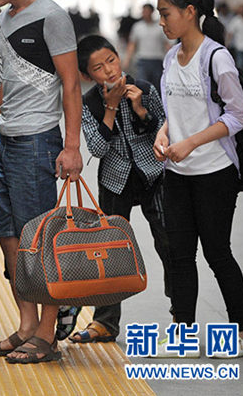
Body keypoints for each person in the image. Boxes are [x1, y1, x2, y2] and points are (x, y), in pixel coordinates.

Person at [0, 0, 83, 363]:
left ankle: (47, 333)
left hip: (39, 141)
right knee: (6, 231)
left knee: (41, 238)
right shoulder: (5, 18)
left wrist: (71, 146)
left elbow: (72, 84)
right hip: (7, 141)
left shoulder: (51, 17)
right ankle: (25, 323)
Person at [154, 0, 243, 358]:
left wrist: (191, 142)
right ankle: (184, 335)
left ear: (190, 12)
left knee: (216, 252)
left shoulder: (216, 57)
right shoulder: (169, 58)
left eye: (167, 14)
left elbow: (237, 114)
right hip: (177, 174)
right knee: (178, 255)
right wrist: (164, 133)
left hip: (215, 172)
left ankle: (238, 334)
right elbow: (172, 112)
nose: (162, 22)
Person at [70, 35, 171, 344]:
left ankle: (181, 317)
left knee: (170, 244)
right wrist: (111, 108)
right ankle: (104, 323)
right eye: (99, 68)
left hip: (154, 174)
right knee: (108, 250)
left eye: (111, 61)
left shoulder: (146, 88)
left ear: (120, 57)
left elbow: (166, 129)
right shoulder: (88, 102)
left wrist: (139, 108)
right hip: (115, 178)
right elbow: (98, 149)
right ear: (88, 76)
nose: (109, 71)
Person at [124, 3, 170, 84]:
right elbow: (132, 44)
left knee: (157, 85)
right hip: (142, 60)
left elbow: (166, 44)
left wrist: (171, 59)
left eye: (147, 11)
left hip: (157, 60)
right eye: (143, 11)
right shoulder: (137, 27)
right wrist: (127, 59)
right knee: (142, 84)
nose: (145, 13)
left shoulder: (159, 27)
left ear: (152, 12)